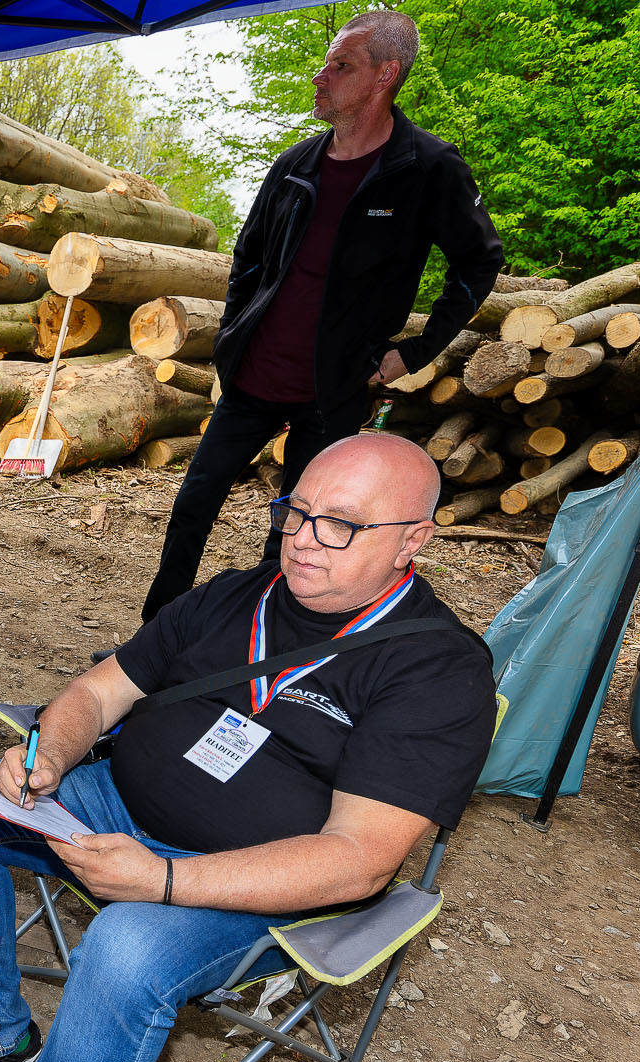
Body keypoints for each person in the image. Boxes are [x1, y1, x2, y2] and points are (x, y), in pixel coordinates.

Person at [0, 433, 497, 1062]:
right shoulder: (236, 594)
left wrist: (163, 880)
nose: (304, 539)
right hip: (119, 808)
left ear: (413, 539)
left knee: (127, 946)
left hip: (256, 883)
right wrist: (50, 752)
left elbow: (358, 860)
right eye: (297, 512)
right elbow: (101, 689)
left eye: (340, 525)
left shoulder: (437, 667)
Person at [140, 10, 503, 622]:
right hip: (253, 376)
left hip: (333, 388)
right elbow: (249, 258)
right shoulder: (295, 164)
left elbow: (479, 260)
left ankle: (258, 646)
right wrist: (234, 335)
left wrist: (416, 351)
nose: (320, 76)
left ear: (385, 75)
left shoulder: (428, 167)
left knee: (297, 530)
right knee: (194, 505)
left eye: (341, 65)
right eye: (326, 63)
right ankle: (156, 635)